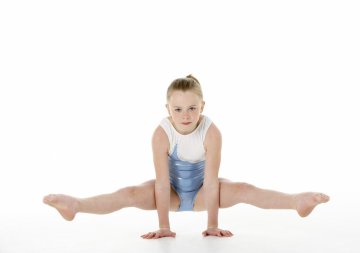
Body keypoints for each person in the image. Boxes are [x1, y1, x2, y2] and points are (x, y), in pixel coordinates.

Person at [43, 75, 330, 239]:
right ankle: (75, 205)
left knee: (243, 189)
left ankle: (297, 201)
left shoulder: (211, 131)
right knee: (129, 192)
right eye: (178, 109)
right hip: (169, 193)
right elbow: (160, 182)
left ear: (202, 106)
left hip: (206, 192)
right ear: (168, 109)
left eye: (192, 108)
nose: (185, 115)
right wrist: (164, 227)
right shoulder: (161, 133)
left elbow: (212, 180)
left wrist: (212, 225)